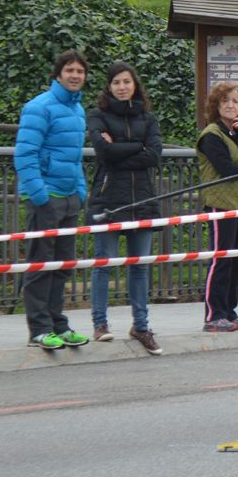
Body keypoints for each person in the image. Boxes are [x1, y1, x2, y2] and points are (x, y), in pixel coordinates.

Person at [15, 50, 91, 350]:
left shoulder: (78, 110)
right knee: (40, 265)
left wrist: (80, 190)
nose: (75, 75)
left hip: (70, 198)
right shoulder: (39, 107)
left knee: (63, 266)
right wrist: (38, 195)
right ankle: (39, 329)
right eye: (70, 70)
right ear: (58, 75)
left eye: (80, 71)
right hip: (46, 198)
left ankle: (59, 324)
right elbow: (25, 153)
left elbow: (75, 158)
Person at [86, 60, 163, 355]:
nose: (122, 87)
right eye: (116, 82)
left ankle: (141, 326)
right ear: (109, 86)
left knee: (140, 266)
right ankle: (100, 324)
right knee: (103, 263)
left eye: (126, 82)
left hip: (142, 200)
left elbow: (155, 155)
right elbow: (103, 152)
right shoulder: (97, 115)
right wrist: (137, 147)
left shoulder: (148, 117)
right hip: (108, 198)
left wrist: (121, 147)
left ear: (135, 84)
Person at [196, 83, 238, 332]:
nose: (230, 105)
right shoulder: (211, 135)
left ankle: (229, 310)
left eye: (235, 101)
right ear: (216, 105)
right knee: (222, 260)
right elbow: (227, 169)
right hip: (221, 204)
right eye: (225, 100)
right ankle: (213, 314)